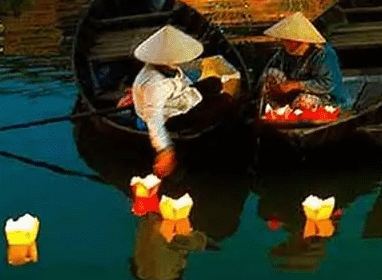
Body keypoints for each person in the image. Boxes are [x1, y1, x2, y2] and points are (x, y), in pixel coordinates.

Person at [131, 25, 238, 177]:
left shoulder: (167, 68)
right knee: (224, 102)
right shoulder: (155, 84)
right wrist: (165, 149)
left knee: (214, 82)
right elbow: (154, 120)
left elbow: (183, 83)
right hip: (171, 117)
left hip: (180, 98)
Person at [261, 12, 346, 112]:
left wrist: (297, 85)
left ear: (298, 40)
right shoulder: (283, 53)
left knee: (303, 103)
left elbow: (329, 84)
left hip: (325, 96)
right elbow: (271, 69)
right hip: (292, 94)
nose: (283, 42)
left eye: (287, 40)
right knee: (271, 75)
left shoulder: (323, 54)